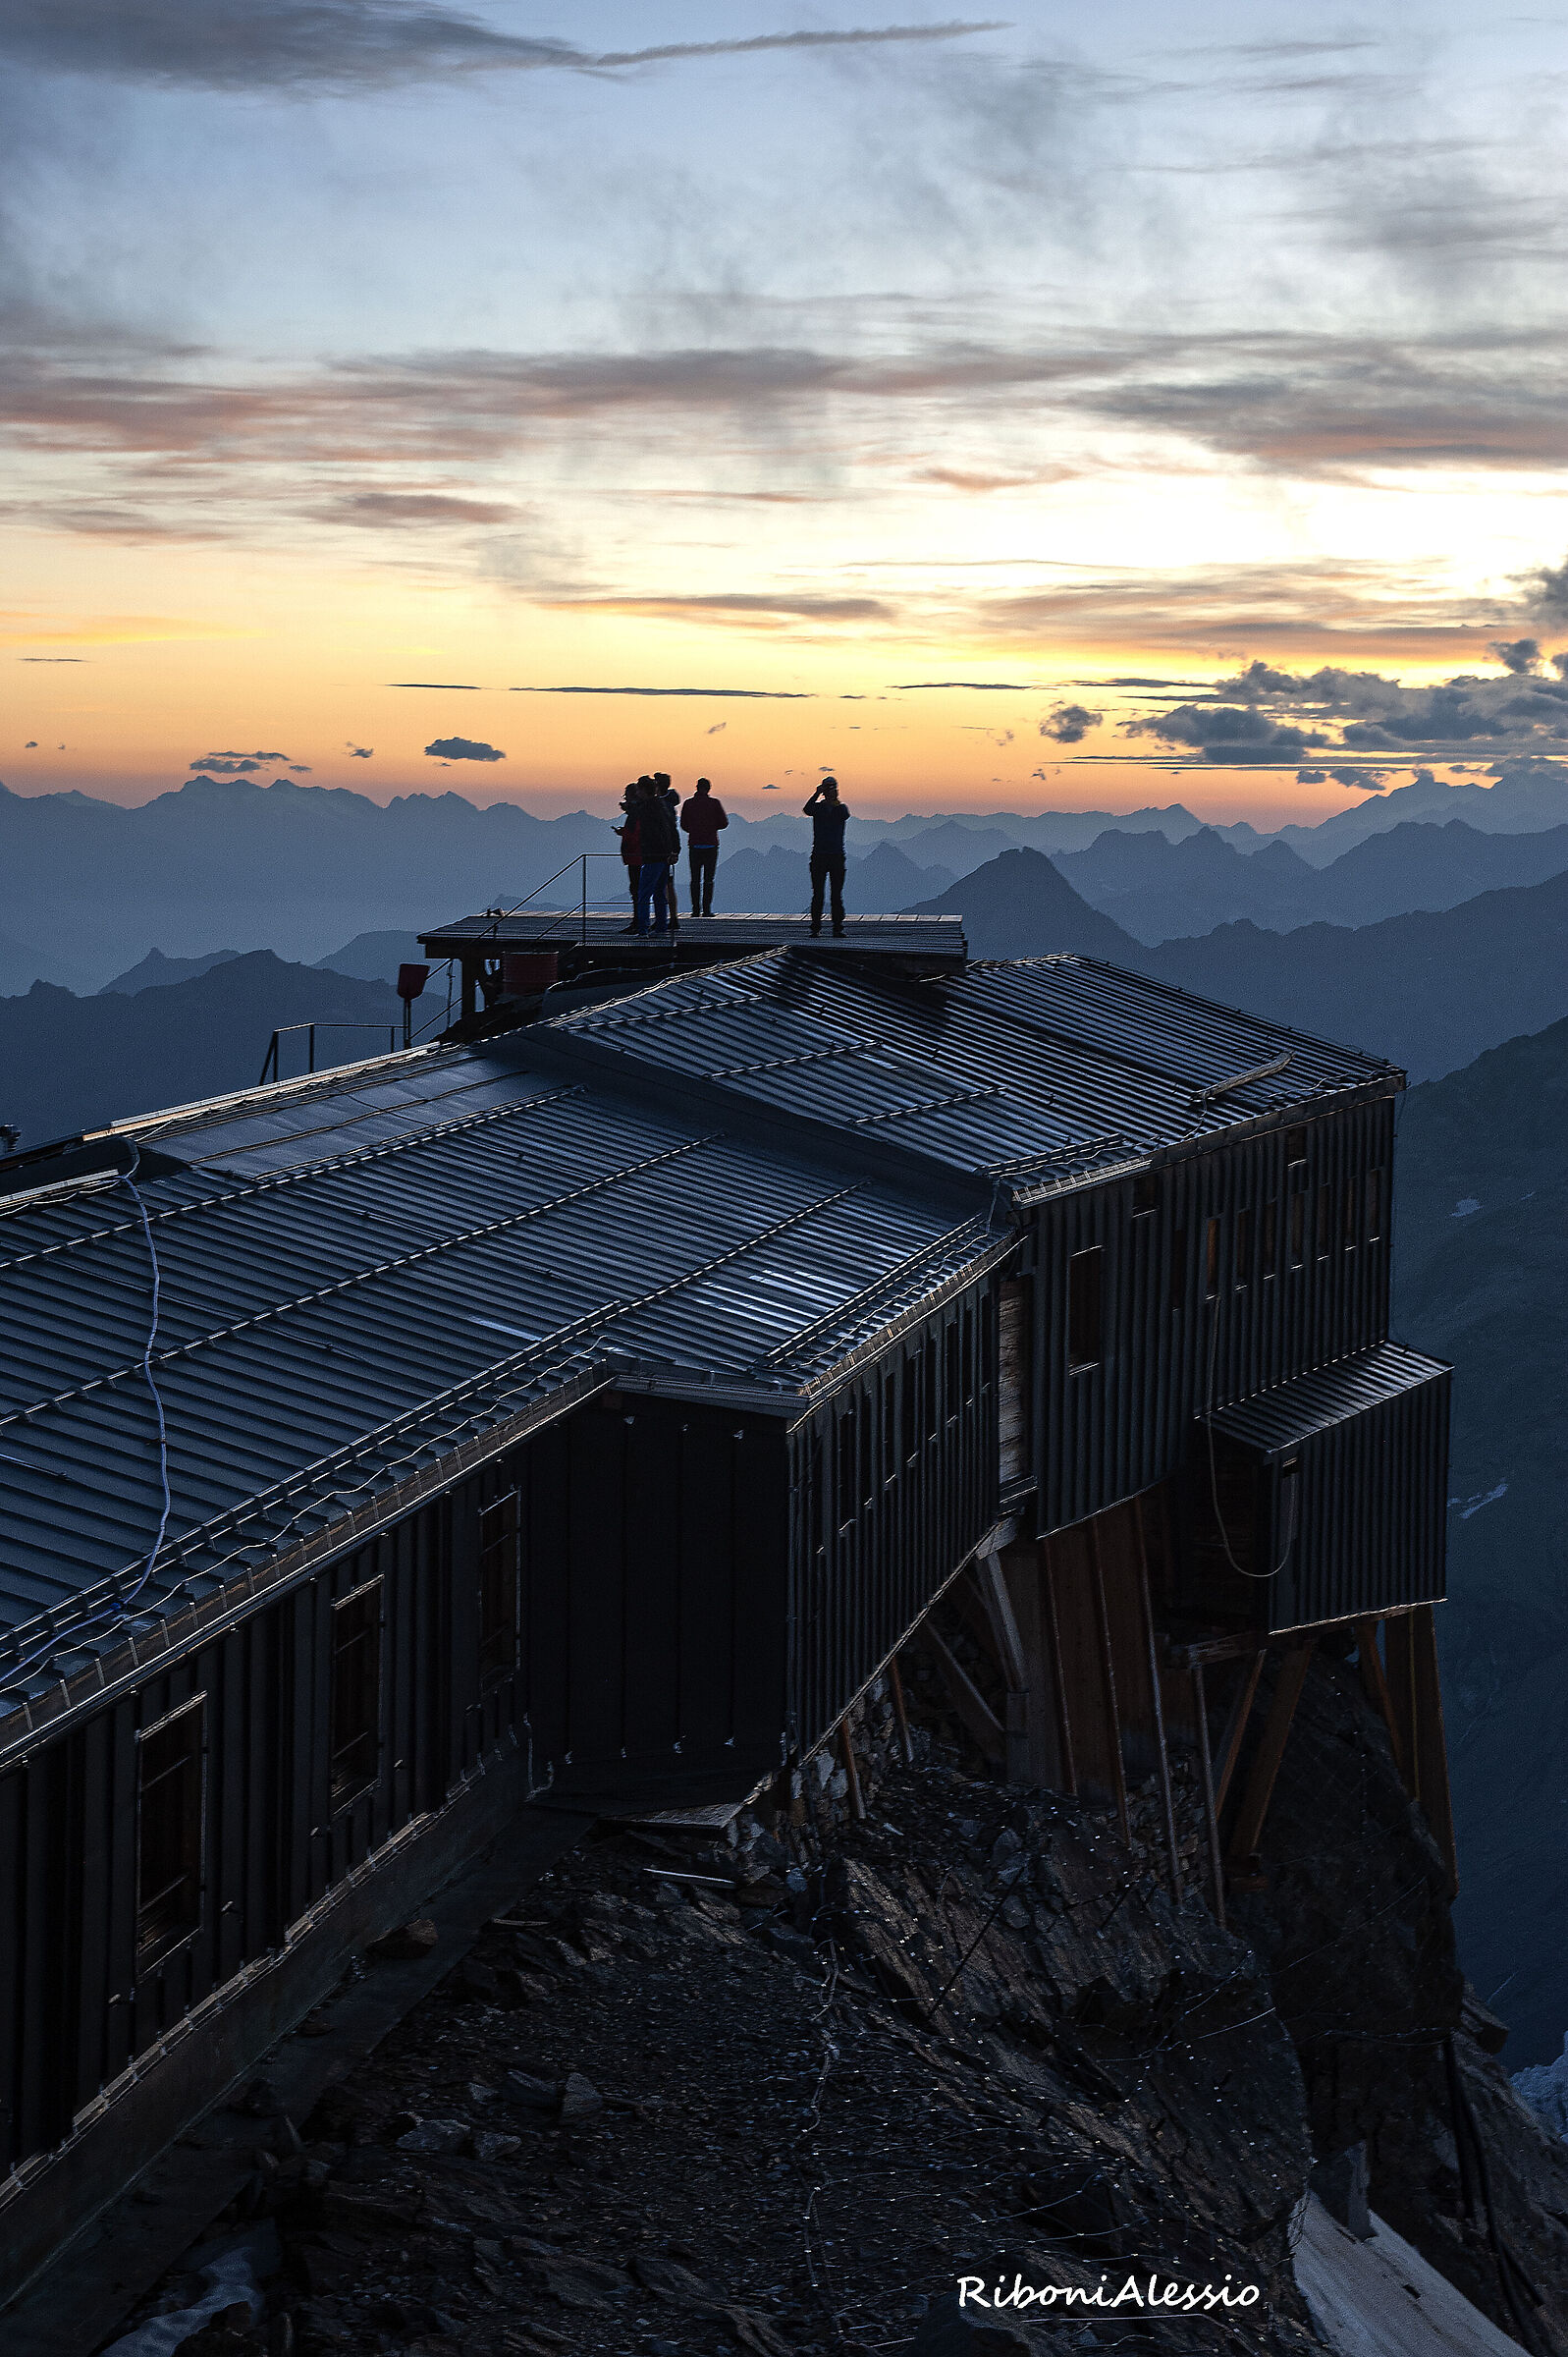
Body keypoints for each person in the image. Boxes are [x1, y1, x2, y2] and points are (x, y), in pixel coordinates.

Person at [634, 772, 680, 935]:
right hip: (665, 857)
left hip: (653, 856)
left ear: (644, 791)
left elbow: (652, 833)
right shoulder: (664, 806)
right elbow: (672, 830)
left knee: (644, 894)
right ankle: (661, 927)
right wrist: (674, 851)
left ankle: (643, 929)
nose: (637, 793)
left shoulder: (646, 810)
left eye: (639, 790)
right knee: (660, 894)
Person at [803, 776, 849, 937]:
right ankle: (821, 927)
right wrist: (817, 794)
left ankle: (833, 927)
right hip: (826, 856)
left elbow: (841, 815)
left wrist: (821, 796)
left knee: (830, 894)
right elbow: (807, 809)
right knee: (822, 894)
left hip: (828, 856)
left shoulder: (840, 809)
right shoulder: (822, 808)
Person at [680, 775, 729, 915]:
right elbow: (724, 823)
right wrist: (711, 828)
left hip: (694, 845)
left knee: (695, 879)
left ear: (697, 788)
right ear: (708, 789)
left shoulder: (689, 804)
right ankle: (706, 910)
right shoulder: (715, 804)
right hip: (711, 845)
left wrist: (694, 830)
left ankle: (695, 910)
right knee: (708, 879)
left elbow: (683, 824)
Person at [655, 773, 681, 932]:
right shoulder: (669, 803)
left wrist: (674, 850)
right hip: (668, 849)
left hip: (661, 850)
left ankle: (666, 919)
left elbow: (671, 829)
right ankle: (670, 918)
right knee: (668, 885)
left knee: (663, 885)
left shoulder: (663, 805)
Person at [614, 782, 642, 931]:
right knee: (638, 890)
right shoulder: (640, 812)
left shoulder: (635, 814)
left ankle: (638, 923)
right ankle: (640, 922)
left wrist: (623, 833)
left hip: (635, 856)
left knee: (636, 890)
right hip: (638, 856)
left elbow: (635, 834)